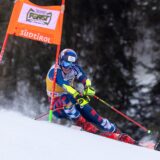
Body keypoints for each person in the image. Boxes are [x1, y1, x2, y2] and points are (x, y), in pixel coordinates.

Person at [46, 48, 136, 144]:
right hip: (56, 104)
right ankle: (83, 124)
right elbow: (64, 85)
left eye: (71, 65)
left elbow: (85, 78)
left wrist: (87, 87)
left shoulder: (74, 68)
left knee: (89, 111)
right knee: (66, 99)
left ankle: (115, 131)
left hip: (71, 96)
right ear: (60, 61)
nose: (68, 68)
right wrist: (76, 94)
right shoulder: (55, 71)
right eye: (66, 64)